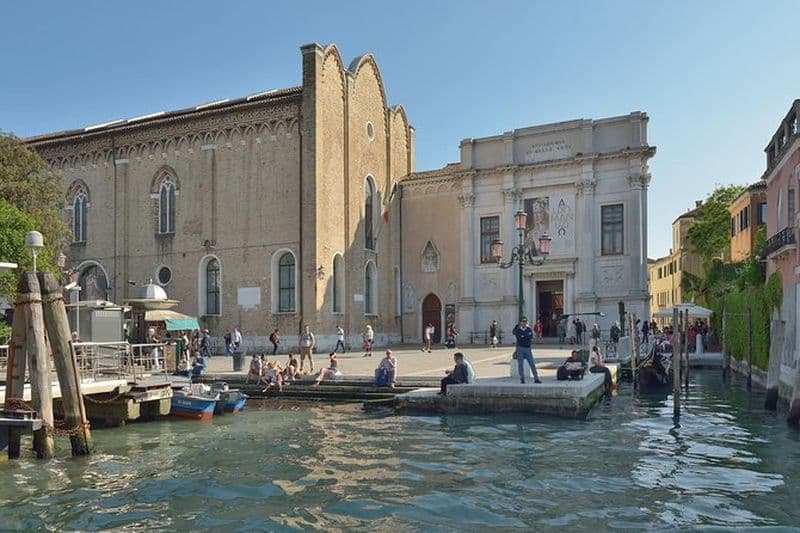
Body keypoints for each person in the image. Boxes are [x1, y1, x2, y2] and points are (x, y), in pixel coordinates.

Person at [513, 316, 541, 384]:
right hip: (520, 348)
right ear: (520, 322)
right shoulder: (518, 330)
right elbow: (519, 338)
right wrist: (525, 336)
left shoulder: (529, 329)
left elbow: (529, 337)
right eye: (523, 321)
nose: (524, 323)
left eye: (525, 321)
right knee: (520, 364)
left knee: (532, 363)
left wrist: (523, 336)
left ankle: (536, 378)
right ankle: (522, 378)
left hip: (528, 348)